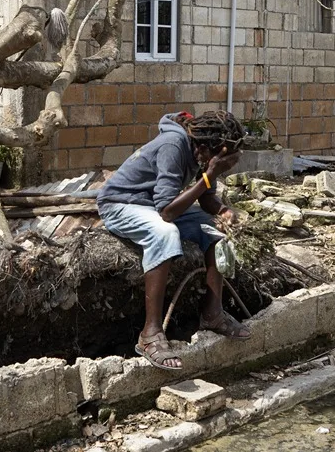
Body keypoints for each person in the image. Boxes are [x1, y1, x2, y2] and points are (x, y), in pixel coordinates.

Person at [97, 110, 251, 371]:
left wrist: (223, 211)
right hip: (121, 205)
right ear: (203, 148)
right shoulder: (173, 145)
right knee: (165, 232)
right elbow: (167, 212)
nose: (219, 164)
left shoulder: (200, 151)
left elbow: (205, 198)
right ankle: (150, 334)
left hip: (151, 206)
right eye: (219, 159)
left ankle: (212, 314)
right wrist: (209, 174)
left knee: (218, 231)